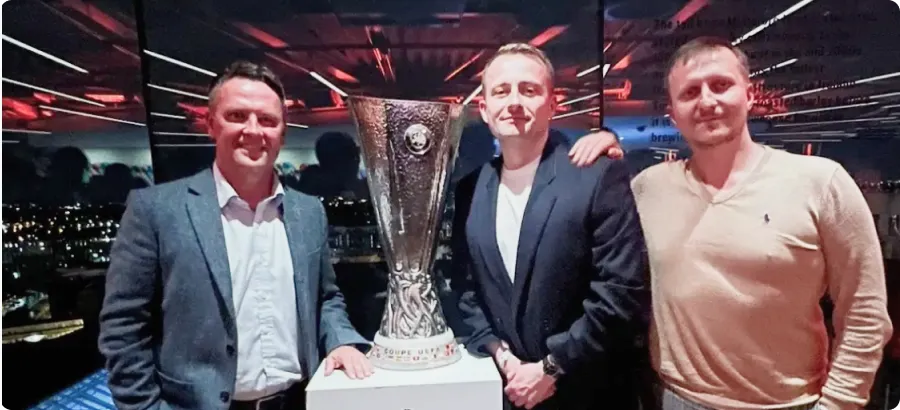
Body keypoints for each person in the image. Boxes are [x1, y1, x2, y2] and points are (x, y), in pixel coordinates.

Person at [588, 36, 894, 410]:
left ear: (749, 95)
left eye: (721, 85)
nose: (707, 102)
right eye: (690, 93)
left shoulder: (821, 182)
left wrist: (839, 404)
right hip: (672, 399)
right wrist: (600, 151)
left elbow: (865, 312)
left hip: (787, 404)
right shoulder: (648, 188)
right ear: (673, 115)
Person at [98, 61, 373, 410]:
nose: (254, 130)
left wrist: (340, 341)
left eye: (268, 120)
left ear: (282, 133)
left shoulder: (308, 213)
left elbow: (326, 299)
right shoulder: (156, 210)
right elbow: (123, 329)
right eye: (238, 115)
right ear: (211, 124)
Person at [450, 43, 651, 410]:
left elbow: (622, 295)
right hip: (507, 390)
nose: (514, 102)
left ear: (553, 104)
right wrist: (499, 354)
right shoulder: (469, 190)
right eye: (501, 91)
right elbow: (466, 289)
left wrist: (551, 368)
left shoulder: (597, 175)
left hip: (587, 393)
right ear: (484, 109)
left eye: (529, 90)